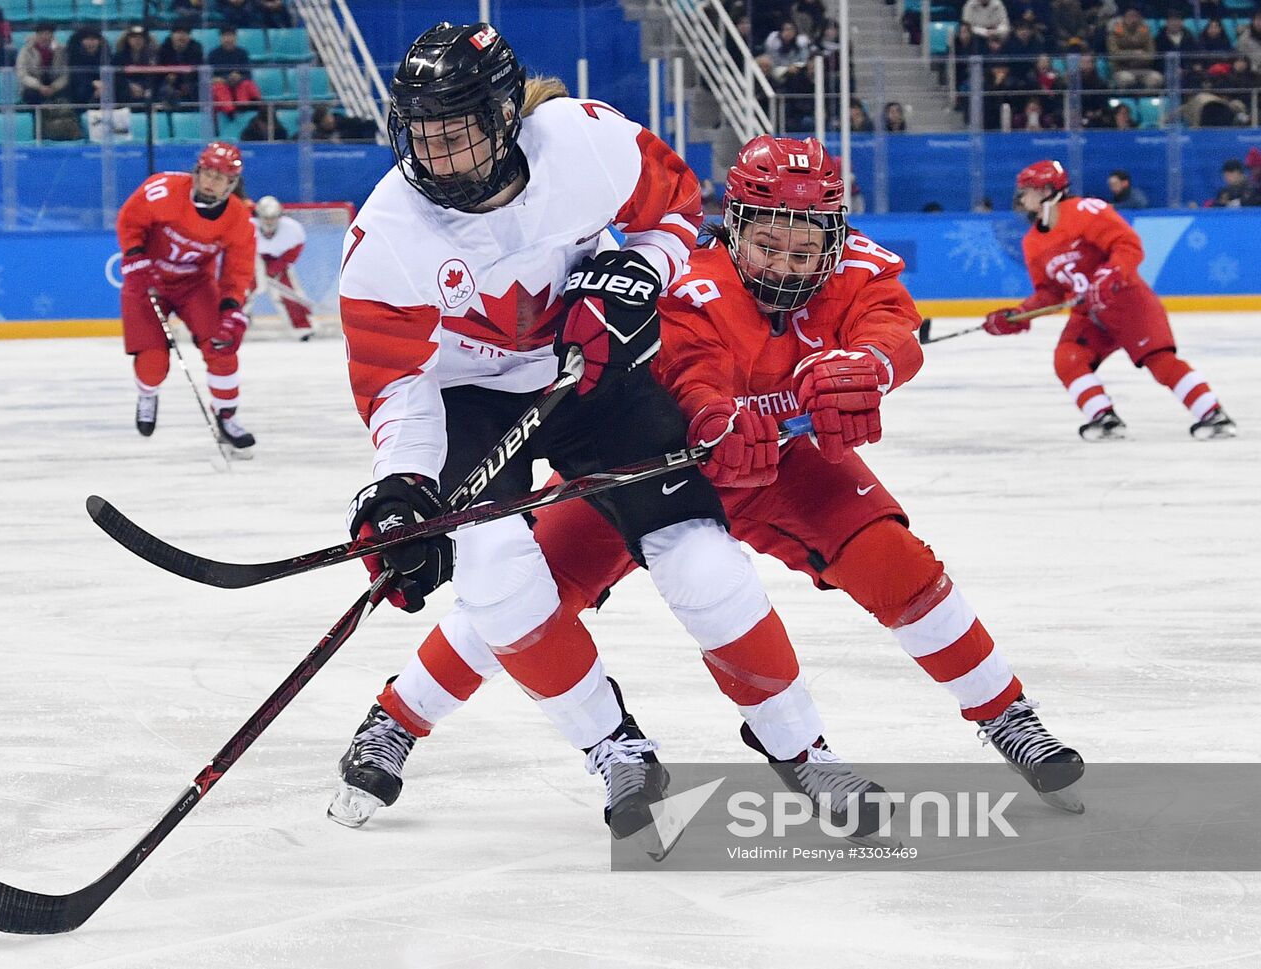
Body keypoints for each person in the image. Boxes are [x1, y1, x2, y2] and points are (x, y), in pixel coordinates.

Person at [329, 133, 1089, 834]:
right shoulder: (692, 280)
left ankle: (1007, 714)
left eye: (804, 247)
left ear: (835, 237)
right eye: (767, 242)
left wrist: (868, 367)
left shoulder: (856, 269)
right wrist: (712, 419)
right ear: (734, 226)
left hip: (788, 469)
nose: (787, 263)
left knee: (897, 563)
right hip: (669, 463)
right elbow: (688, 371)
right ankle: (398, 715)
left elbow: (892, 325)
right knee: (518, 600)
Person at [333, 24, 882, 848]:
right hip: (464, 399)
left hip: (588, 364)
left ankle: (801, 745)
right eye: (422, 137)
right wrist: (406, 484)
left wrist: (635, 273)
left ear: (505, 117)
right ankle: (613, 745)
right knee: (496, 579)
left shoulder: (585, 142)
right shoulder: (386, 239)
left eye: (457, 135)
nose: (436, 158)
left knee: (702, 557)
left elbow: (677, 213)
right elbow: (397, 384)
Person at [985, 160, 1237, 441]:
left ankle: (1214, 414)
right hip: (1090, 314)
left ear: (1047, 190)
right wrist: (1019, 315)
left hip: (1127, 301)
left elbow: (1128, 245)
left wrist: (1108, 275)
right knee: (1068, 358)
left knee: (1159, 361)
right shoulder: (1033, 242)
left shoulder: (1084, 210)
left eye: (1027, 189)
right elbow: (1051, 293)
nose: (1021, 197)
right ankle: (1104, 418)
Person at [116, 142, 258, 453]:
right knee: (153, 363)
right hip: (148, 280)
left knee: (222, 346)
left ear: (232, 184)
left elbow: (239, 269)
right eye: (207, 173)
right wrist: (136, 258)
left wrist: (232, 307)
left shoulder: (238, 219)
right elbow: (130, 220)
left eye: (221, 178)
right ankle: (147, 394)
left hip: (195, 284)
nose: (211, 181)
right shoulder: (163, 189)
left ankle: (226, 418)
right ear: (196, 171)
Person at [252, 195, 314, 338]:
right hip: (253, 261)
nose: (269, 222)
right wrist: (258, 269)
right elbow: (240, 250)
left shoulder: (292, 229)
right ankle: (236, 324)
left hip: (280, 261)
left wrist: (276, 267)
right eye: (266, 218)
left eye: (273, 218)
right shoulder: (247, 226)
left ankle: (302, 326)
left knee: (288, 292)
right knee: (242, 292)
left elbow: (296, 249)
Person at [1107, 7, 1163, 90]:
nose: (1133, 19)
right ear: (1124, 18)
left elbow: (1151, 55)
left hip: (1143, 69)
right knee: (1127, 79)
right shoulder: (1115, 32)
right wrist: (1134, 53)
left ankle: (1146, 100)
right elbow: (1114, 54)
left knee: (1157, 78)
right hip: (1122, 69)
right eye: (1129, 16)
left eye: (1135, 16)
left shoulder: (1145, 31)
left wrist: (1137, 57)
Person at [208, 26, 258, 117]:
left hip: (238, 85)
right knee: (218, 87)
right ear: (220, 38)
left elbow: (248, 75)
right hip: (222, 85)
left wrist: (239, 77)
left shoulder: (243, 53)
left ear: (235, 37)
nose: (228, 39)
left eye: (230, 36)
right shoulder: (213, 54)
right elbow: (209, 77)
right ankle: (230, 111)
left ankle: (247, 106)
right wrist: (221, 79)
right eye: (225, 36)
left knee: (247, 83)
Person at [15, 21, 66, 105]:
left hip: (54, 86)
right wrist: (39, 87)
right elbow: (22, 74)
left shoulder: (62, 51)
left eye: (48, 34)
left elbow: (66, 74)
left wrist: (54, 87)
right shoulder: (26, 50)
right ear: (36, 35)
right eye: (42, 34)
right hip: (34, 87)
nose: (45, 37)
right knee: (30, 94)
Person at [155, 21, 202, 108]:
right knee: (165, 90)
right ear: (172, 35)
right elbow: (157, 74)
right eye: (178, 33)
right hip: (169, 84)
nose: (182, 36)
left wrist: (189, 82)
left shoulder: (196, 49)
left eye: (185, 33)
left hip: (191, 83)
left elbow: (199, 71)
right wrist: (168, 78)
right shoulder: (163, 50)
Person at [65, 24, 108, 106]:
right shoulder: (73, 57)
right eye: (87, 39)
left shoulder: (106, 56)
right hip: (81, 91)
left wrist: (103, 85)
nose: (91, 42)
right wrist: (92, 83)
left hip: (103, 88)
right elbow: (75, 77)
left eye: (94, 39)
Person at [111, 23, 153, 104]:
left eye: (141, 37)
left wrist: (143, 87)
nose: (137, 40)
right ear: (128, 39)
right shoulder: (119, 56)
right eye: (134, 37)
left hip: (145, 91)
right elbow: (115, 76)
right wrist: (130, 85)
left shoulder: (152, 57)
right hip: (124, 92)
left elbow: (154, 77)